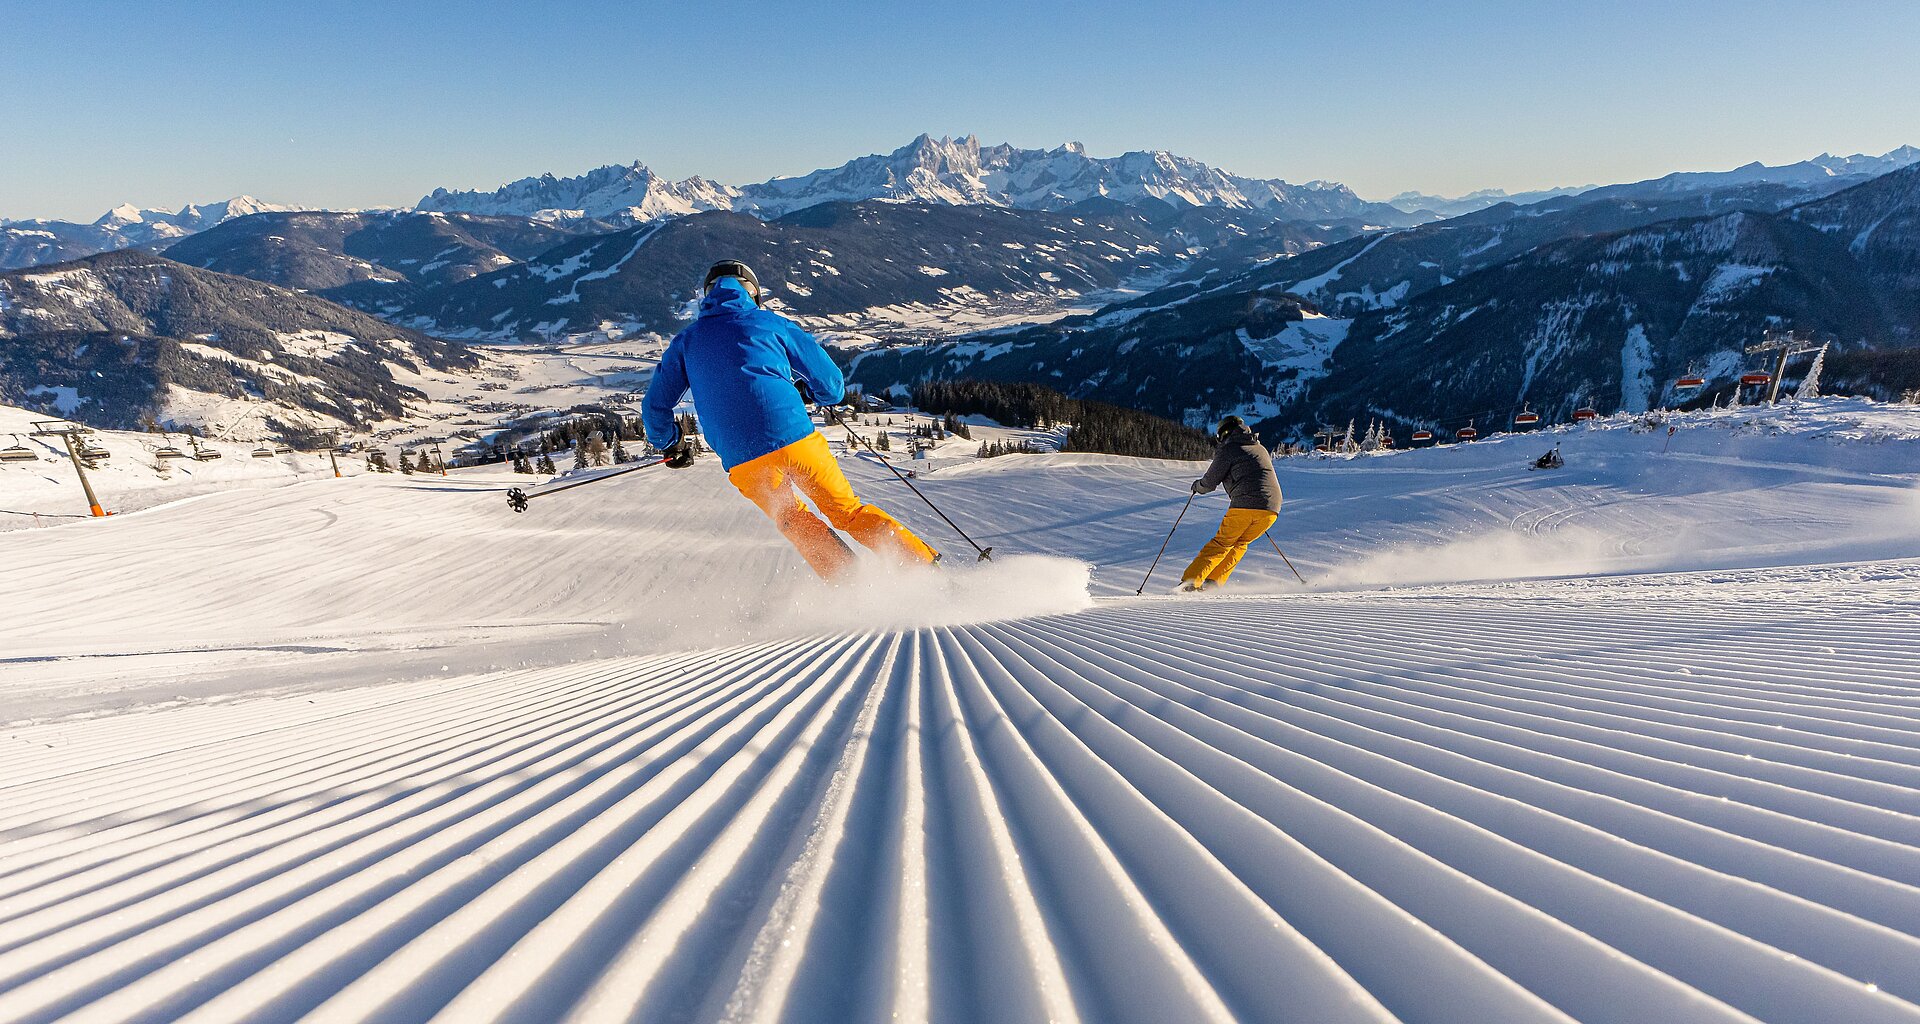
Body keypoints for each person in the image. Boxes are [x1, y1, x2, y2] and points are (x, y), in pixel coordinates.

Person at [643, 259, 939, 579]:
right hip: (796, 440)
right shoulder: (773, 324)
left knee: (793, 521)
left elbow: (655, 406)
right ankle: (923, 571)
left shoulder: (686, 342)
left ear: (707, 295)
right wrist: (811, 393)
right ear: (753, 295)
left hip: (744, 460)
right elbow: (832, 386)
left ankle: (852, 587)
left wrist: (671, 443)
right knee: (846, 513)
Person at [1179, 415, 1283, 592]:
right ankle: (1212, 583)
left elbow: (1210, 482)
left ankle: (1190, 583)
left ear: (1224, 433)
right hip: (1272, 509)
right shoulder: (1260, 448)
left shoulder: (1229, 450)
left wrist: (1197, 486)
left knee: (1221, 544)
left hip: (1245, 506)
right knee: (1240, 544)